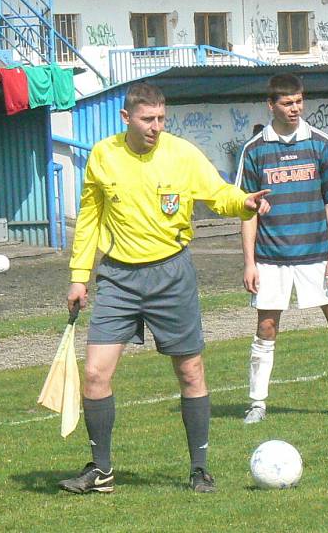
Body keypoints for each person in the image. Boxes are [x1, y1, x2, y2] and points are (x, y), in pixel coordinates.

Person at [60, 82, 271, 495]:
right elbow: (89, 219)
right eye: (147, 119)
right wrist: (79, 275)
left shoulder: (181, 154)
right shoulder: (103, 156)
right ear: (126, 118)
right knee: (95, 374)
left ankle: (199, 469)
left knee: (190, 371)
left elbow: (217, 192)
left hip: (171, 275)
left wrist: (243, 201)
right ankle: (101, 471)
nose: (156, 126)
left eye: (161, 118)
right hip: (118, 278)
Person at [235, 73, 328, 424]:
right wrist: (249, 262)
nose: (295, 108)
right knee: (266, 327)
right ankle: (257, 403)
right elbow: (246, 209)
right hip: (270, 258)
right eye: (287, 103)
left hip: (316, 254)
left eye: (299, 101)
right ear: (271, 105)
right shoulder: (255, 150)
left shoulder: (320, 142)